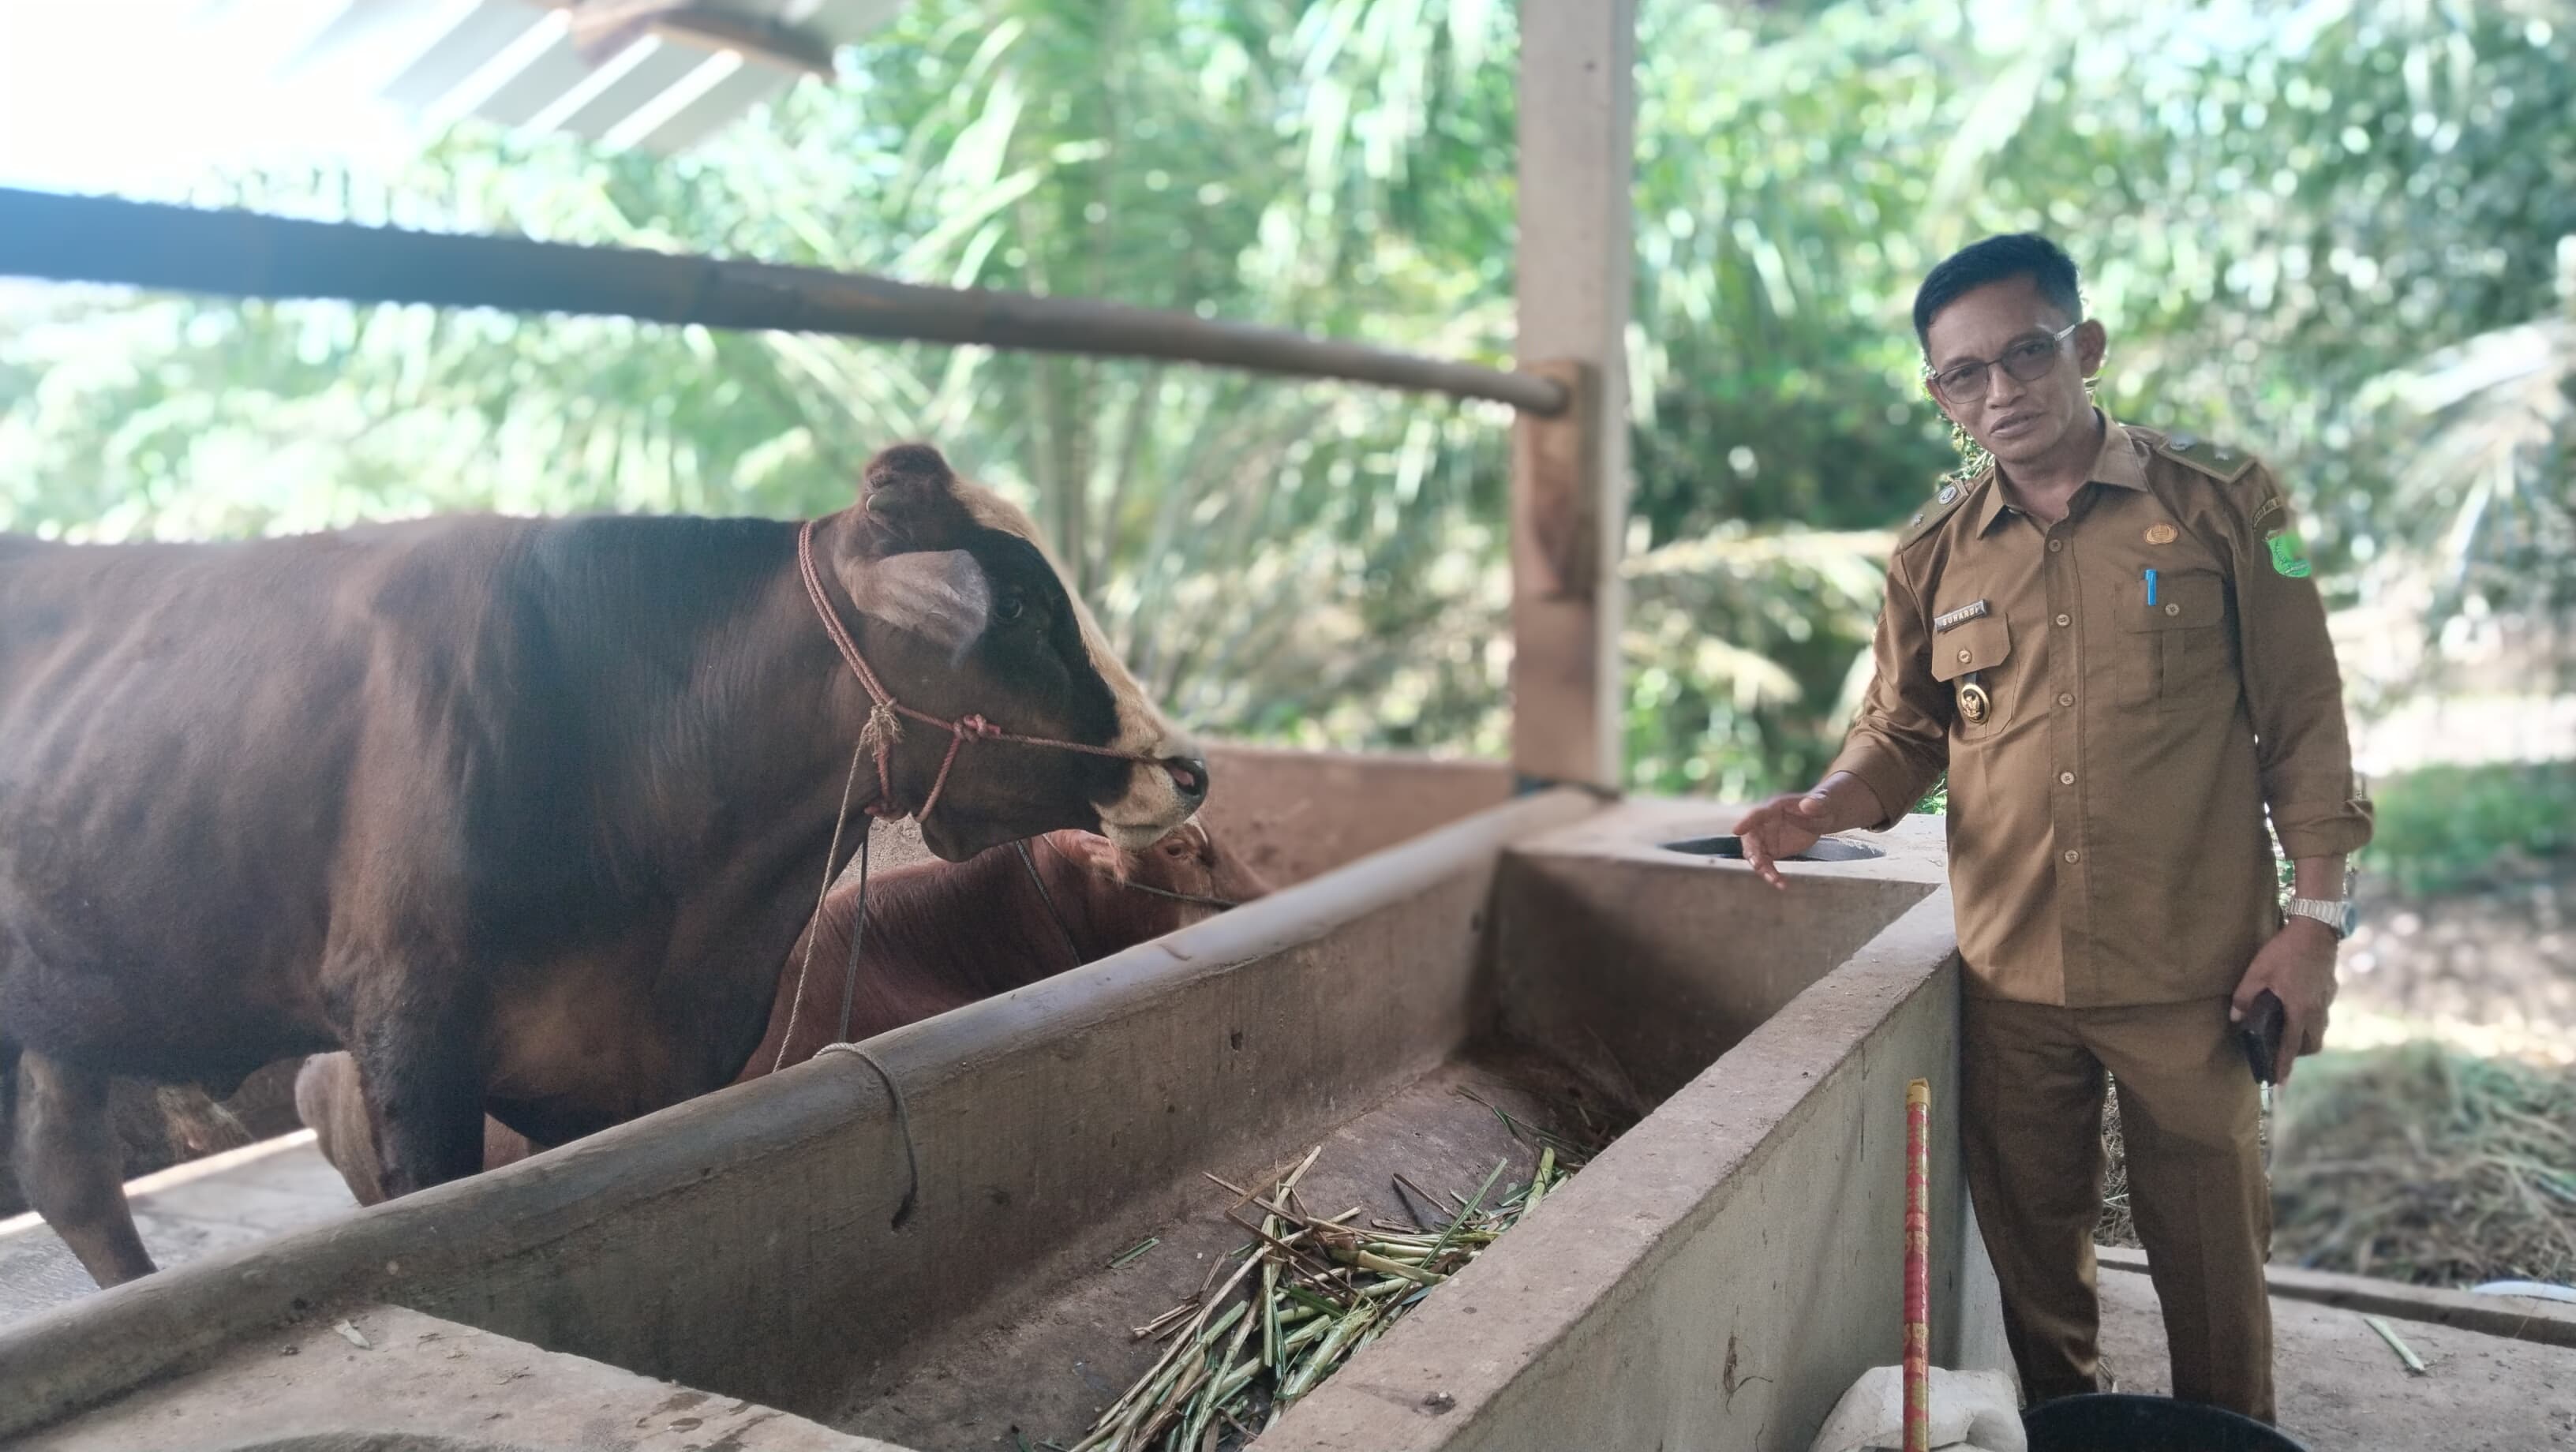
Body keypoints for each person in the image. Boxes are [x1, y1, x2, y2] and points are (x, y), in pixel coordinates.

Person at [1732, 233, 2373, 1424]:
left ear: (2082, 345)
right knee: (2039, 1285)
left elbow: (2304, 718)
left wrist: (2317, 924)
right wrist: (1824, 807)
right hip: (2012, 983)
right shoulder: (1933, 555)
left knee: (2214, 1281)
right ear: (1940, 396)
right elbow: (1907, 730)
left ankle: (2227, 1443)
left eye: (2025, 354)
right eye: (1963, 376)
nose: (2000, 393)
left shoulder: (2225, 498)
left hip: (2195, 976)